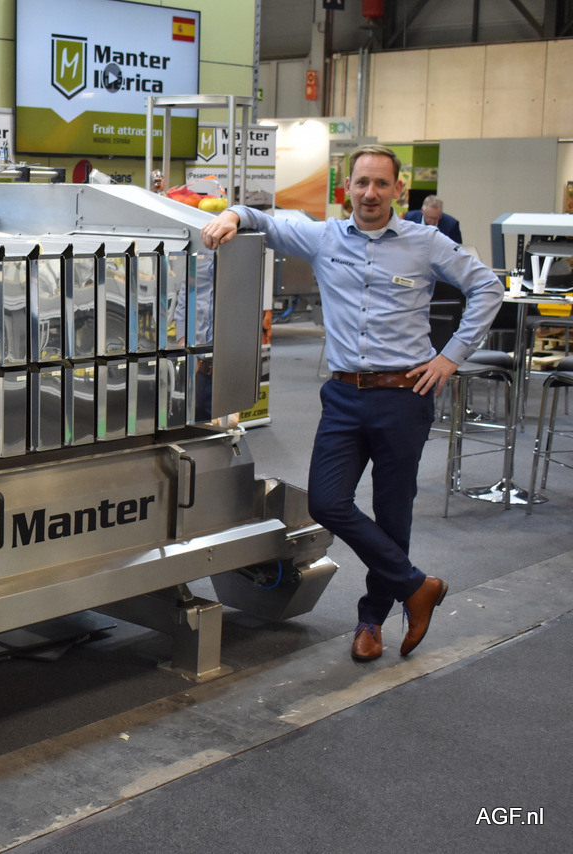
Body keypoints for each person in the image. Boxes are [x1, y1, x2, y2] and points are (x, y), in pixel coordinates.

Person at [201, 144, 503, 663]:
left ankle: (372, 620)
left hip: (405, 396)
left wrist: (450, 358)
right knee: (326, 502)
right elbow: (263, 219)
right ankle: (417, 586)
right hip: (343, 396)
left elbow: (488, 287)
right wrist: (232, 215)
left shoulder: (426, 241)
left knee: (393, 514)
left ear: (397, 189)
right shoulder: (324, 237)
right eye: (362, 182)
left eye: (381, 183)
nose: (370, 193)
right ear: (347, 188)